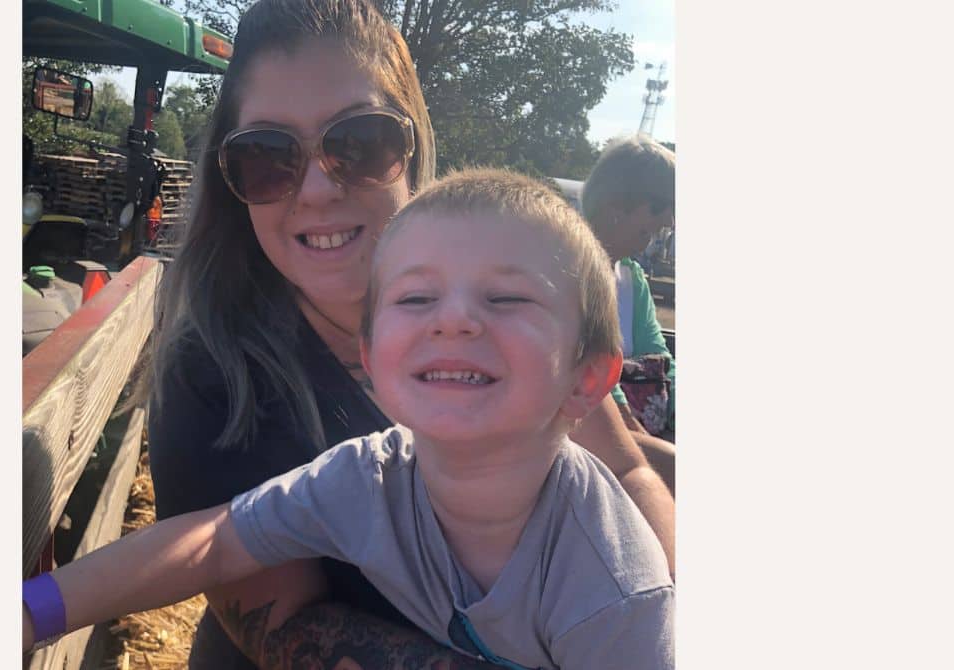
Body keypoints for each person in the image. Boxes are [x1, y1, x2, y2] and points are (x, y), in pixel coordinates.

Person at [139, 1, 675, 666]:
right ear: (232, 178)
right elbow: (288, 625)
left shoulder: (520, 313)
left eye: (359, 143)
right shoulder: (210, 372)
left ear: (412, 145)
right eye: (267, 157)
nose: (314, 189)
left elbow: (626, 465)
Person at [26, 169, 674, 669]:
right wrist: (32, 612)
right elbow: (214, 542)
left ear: (587, 378)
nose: (453, 319)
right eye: (416, 297)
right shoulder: (368, 478)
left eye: (506, 297)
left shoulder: (617, 598)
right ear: (373, 360)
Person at [581, 134, 677, 492]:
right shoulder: (565, 273)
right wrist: (648, 447)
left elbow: (660, 358)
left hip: (634, 427)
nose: (669, 219)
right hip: (591, 432)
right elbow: (592, 378)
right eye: (661, 205)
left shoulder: (630, 278)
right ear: (617, 202)